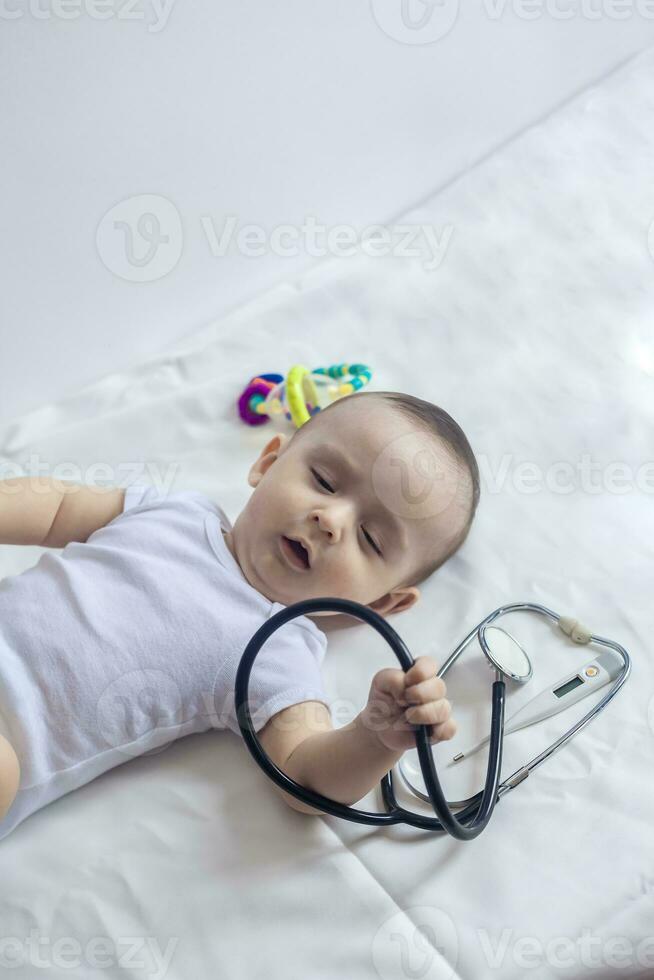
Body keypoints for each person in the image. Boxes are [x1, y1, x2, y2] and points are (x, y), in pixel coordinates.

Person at [0, 389, 479, 836]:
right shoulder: (175, 511)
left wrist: (374, 737)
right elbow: (59, 506)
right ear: (268, 462)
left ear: (381, 604)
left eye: (371, 539)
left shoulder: (276, 646)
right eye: (324, 481)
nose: (330, 521)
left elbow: (304, 772)